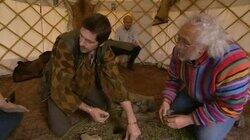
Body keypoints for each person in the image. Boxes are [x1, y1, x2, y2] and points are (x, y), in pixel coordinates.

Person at [41, 13, 141, 139]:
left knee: (104, 107)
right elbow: (60, 87)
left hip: (83, 81)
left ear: (101, 43)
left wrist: (132, 121)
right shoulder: (66, 44)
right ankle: (59, 102)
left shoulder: (105, 50)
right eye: (81, 36)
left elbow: (115, 81)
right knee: (61, 130)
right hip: (58, 85)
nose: (82, 43)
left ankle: (79, 99)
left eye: (88, 41)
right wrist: (89, 110)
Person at [158, 14, 249, 140]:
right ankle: (201, 111)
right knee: (171, 112)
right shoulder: (179, 51)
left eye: (185, 42)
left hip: (223, 103)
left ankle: (235, 118)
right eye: (178, 38)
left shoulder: (232, 63)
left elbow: (230, 105)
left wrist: (190, 119)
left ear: (203, 48)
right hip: (195, 93)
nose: (178, 46)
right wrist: (166, 101)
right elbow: (174, 79)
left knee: (205, 136)